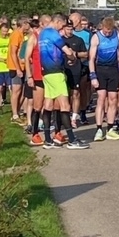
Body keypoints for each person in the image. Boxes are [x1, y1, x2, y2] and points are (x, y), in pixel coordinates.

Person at [39, 14, 89, 149]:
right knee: (65, 106)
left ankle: (48, 140)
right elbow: (67, 51)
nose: (62, 28)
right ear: (58, 21)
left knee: (48, 104)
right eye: (62, 25)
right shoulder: (53, 33)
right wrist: (72, 56)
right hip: (56, 72)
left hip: (47, 72)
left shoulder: (42, 34)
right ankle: (72, 140)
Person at [89, 16, 119, 141]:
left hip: (113, 69)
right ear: (102, 27)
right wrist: (93, 75)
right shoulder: (96, 37)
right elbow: (91, 59)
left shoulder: (117, 35)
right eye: (106, 31)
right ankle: (99, 129)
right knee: (101, 98)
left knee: (113, 99)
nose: (108, 33)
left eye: (110, 31)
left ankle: (110, 128)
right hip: (100, 69)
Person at [25, 15, 51, 146]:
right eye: (47, 23)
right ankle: (35, 134)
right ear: (41, 23)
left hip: (50, 74)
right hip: (37, 75)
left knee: (49, 105)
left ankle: (48, 134)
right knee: (37, 105)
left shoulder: (51, 36)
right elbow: (27, 57)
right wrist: (29, 76)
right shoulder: (34, 37)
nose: (49, 25)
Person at [62, 19, 88, 128]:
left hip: (75, 70)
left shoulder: (78, 40)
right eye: (67, 28)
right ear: (63, 29)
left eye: (71, 29)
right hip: (63, 69)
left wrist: (75, 54)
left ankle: (74, 118)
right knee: (65, 94)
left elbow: (86, 54)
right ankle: (64, 116)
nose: (69, 31)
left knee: (76, 93)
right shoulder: (60, 40)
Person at [7, 15, 31, 125]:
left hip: (23, 66)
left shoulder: (23, 35)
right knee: (16, 90)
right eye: (28, 24)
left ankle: (17, 111)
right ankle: (14, 114)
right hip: (15, 66)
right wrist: (18, 69)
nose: (29, 26)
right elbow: (13, 52)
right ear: (24, 24)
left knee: (22, 91)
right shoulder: (16, 34)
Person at [71, 14, 92, 124]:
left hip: (84, 65)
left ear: (78, 20)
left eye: (72, 19)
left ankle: (83, 113)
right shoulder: (68, 32)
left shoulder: (87, 34)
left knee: (82, 90)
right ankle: (72, 112)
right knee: (72, 91)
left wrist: (78, 55)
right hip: (70, 66)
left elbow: (91, 50)